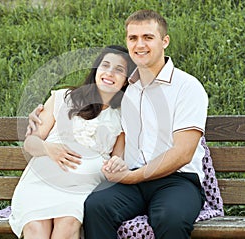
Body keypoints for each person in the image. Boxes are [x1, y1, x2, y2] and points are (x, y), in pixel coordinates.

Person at [27, 10, 208, 239]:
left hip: (176, 180)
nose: (139, 44)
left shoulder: (187, 87)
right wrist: (43, 111)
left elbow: (183, 153)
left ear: (165, 41)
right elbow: (88, 104)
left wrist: (135, 176)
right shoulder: (125, 90)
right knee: (96, 207)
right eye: (133, 38)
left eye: (148, 37)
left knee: (168, 217)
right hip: (130, 181)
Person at [9, 45, 135, 239]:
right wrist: (48, 148)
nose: (110, 73)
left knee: (67, 226)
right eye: (105, 66)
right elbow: (30, 143)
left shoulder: (122, 115)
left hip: (80, 190)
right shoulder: (63, 98)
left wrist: (117, 163)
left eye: (119, 70)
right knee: (36, 230)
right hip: (40, 184)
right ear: (96, 70)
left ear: (126, 80)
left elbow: (117, 157)